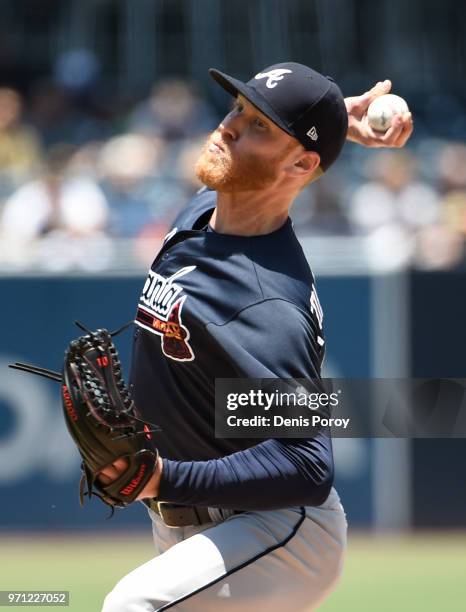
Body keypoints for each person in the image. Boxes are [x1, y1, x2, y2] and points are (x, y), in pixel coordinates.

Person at [100, 62, 413, 612]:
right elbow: (272, 157)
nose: (229, 127)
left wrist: (164, 475)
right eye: (238, 110)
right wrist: (341, 123)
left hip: (277, 533)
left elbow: (308, 465)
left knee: (132, 606)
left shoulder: (266, 303)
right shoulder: (209, 212)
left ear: (300, 162)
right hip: (198, 527)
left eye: (259, 126)